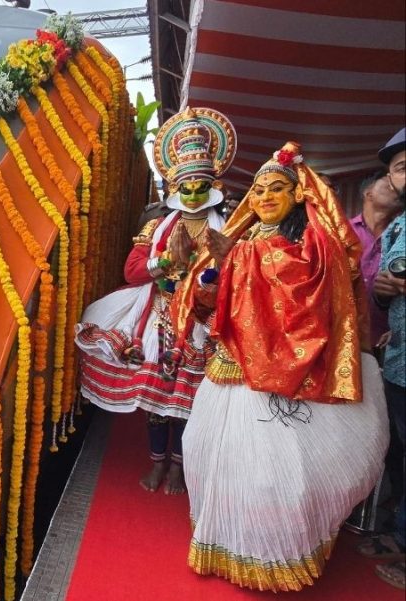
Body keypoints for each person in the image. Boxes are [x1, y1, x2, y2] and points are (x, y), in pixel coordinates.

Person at [177, 142, 389, 591]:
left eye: (276, 188)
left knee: (272, 475)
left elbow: (303, 285)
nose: (266, 196)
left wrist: (237, 256)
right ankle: (223, 540)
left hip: (283, 369)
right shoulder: (244, 236)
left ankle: (271, 555)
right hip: (231, 364)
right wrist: (208, 274)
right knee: (206, 451)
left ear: (297, 194)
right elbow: (213, 296)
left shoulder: (311, 241)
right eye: (258, 190)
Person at [75, 107, 236, 495]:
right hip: (162, 319)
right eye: (186, 188)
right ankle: (158, 462)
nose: (193, 194)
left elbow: (242, 276)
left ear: (213, 184)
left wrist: (223, 262)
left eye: (200, 186)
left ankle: (179, 468)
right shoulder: (157, 225)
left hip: (203, 323)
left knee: (187, 406)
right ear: (174, 188)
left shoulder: (229, 228)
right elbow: (132, 271)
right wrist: (164, 261)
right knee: (155, 405)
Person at [371, 127, 406, 590]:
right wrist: (382, 292)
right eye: (400, 167)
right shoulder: (396, 227)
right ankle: (399, 537)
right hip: (399, 360)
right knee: (398, 451)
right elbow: (385, 292)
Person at [351, 170, 402, 345]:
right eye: (390, 184)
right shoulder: (342, 233)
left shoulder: (402, 236)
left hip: (391, 341)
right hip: (344, 339)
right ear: (369, 193)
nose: (398, 189)